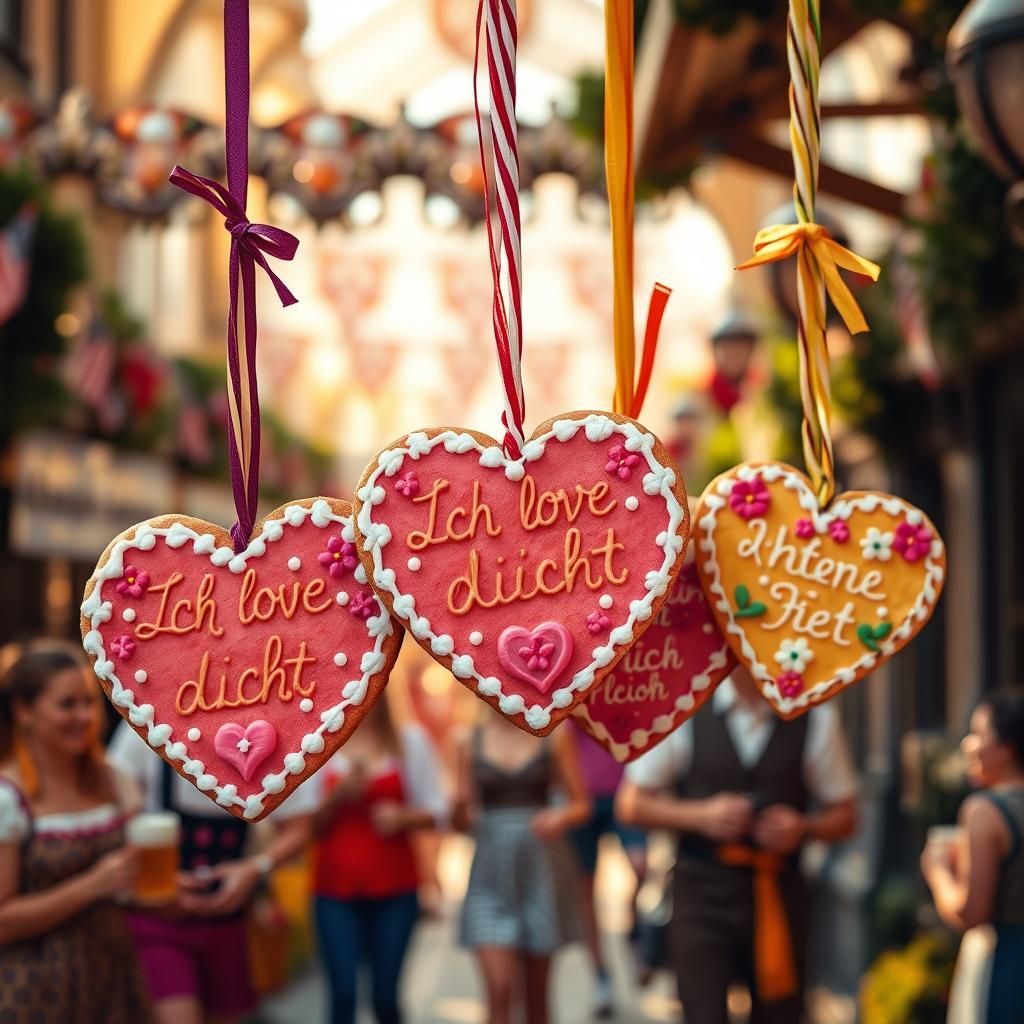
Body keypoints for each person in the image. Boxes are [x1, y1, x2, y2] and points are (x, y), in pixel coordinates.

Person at [616, 666, 857, 1024]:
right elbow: (631, 804)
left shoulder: (817, 717)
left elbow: (847, 815)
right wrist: (701, 816)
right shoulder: (684, 708)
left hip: (780, 895)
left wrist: (803, 828)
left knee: (780, 1015)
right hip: (700, 896)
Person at [108, 719, 314, 1024]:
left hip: (227, 926)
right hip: (160, 922)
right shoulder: (148, 723)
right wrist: (155, 876)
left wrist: (256, 868)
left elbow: (299, 828)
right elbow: (110, 806)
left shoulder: (263, 738)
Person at [0, 648, 153, 1023]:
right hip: (34, 992)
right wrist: (92, 885)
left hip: (112, 978)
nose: (84, 716)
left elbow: (135, 879)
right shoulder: (7, 798)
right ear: (24, 710)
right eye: (67, 705)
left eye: (88, 702)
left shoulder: (112, 777)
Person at [306, 697, 446, 1024]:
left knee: (385, 997)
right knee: (343, 996)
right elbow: (306, 827)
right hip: (333, 891)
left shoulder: (409, 742)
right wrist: (337, 798)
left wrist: (404, 818)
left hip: (396, 889)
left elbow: (438, 811)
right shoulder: (318, 743)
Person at [455, 711, 591, 1024]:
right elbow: (461, 822)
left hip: (540, 868)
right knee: (499, 991)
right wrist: (457, 808)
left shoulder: (554, 735)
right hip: (490, 871)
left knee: (536, 999)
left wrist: (561, 817)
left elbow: (581, 803)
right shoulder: (467, 740)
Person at [922, 690, 1024, 1024]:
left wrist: (938, 872)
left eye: (978, 734)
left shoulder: (984, 811)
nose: (967, 744)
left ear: (1006, 747)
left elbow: (970, 912)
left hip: (1008, 963)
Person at [567, 722, 647, 1017]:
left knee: (640, 867)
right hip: (581, 796)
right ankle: (601, 976)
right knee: (586, 893)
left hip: (625, 792)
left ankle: (635, 930)